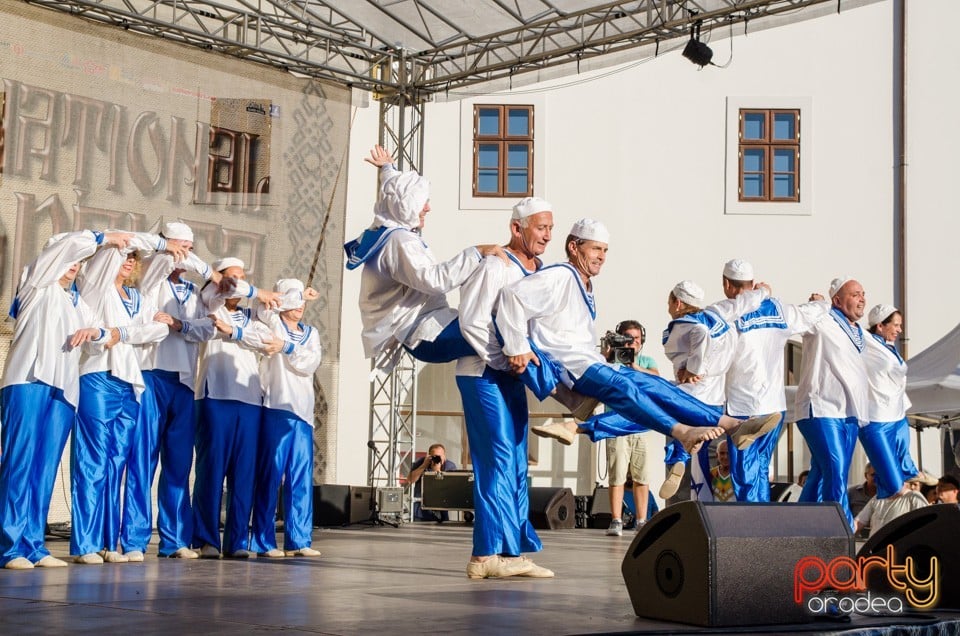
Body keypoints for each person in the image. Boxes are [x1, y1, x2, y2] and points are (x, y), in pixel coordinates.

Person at [495, 219, 779, 452]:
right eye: (596, 249)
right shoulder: (561, 275)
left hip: (588, 362)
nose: (601, 257)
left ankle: (731, 426)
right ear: (574, 247)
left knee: (655, 386)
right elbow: (511, 297)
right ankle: (683, 432)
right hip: (572, 366)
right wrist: (517, 347)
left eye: (605, 250)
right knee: (627, 388)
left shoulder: (584, 285)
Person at [0, 229, 131, 570]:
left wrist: (103, 334)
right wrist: (104, 236)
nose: (72, 265)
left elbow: (96, 337)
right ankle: (8, 546)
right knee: (20, 463)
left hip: (63, 390)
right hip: (27, 380)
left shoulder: (78, 302)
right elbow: (65, 249)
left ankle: (33, 544)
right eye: (66, 258)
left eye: (77, 261)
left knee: (44, 468)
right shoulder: (36, 283)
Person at [455, 196, 555, 578]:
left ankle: (511, 553)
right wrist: (504, 357)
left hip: (512, 375)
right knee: (495, 458)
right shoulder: (496, 266)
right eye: (540, 228)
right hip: (483, 371)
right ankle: (483, 556)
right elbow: (472, 320)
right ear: (517, 228)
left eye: (550, 229)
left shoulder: (537, 272)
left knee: (515, 461)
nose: (546, 236)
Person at [71, 234, 186, 564]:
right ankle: (85, 545)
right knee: (92, 462)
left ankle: (109, 543)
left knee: (116, 464)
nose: (129, 260)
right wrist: (122, 243)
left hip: (130, 384)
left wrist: (120, 333)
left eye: (134, 257)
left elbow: (160, 330)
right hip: (98, 377)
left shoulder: (138, 297)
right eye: (124, 255)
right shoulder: (95, 288)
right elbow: (144, 329)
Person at [344, 145, 505, 371]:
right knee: (505, 333)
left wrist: (387, 168)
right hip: (425, 331)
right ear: (406, 207)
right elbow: (433, 280)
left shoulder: (387, 228)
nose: (427, 208)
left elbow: (394, 193)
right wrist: (476, 252)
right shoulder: (400, 242)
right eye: (421, 203)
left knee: (505, 334)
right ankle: (561, 390)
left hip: (430, 323)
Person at [124, 222, 218, 560]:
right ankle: (134, 540)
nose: (183, 255)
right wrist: (169, 250)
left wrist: (180, 325)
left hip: (183, 382)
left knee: (179, 464)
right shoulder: (150, 279)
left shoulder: (193, 294)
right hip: (152, 375)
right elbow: (161, 261)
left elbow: (208, 329)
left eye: (188, 249)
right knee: (142, 460)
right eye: (179, 248)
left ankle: (174, 539)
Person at [720, 259, 830, 502]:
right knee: (761, 469)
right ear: (752, 282)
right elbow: (807, 315)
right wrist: (821, 303)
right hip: (774, 405)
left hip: (742, 408)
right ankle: (763, 525)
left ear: (727, 284)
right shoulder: (778, 309)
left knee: (745, 474)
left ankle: (751, 528)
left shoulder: (728, 313)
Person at [192, 257, 280, 559]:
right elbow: (221, 297)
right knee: (211, 471)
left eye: (243, 278)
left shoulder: (250, 316)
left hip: (250, 399)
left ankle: (237, 540)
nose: (238, 284)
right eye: (232, 277)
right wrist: (255, 291)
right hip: (214, 395)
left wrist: (235, 332)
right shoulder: (208, 303)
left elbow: (265, 340)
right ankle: (206, 539)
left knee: (244, 474)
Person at [250, 279, 323, 559]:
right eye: (296, 300)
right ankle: (263, 541)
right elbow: (263, 307)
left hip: (303, 412)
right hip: (277, 406)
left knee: (300, 477)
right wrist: (294, 295)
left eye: (304, 301)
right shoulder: (273, 324)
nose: (301, 305)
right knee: (271, 475)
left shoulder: (311, 333)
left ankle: (299, 539)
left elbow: (310, 362)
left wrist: (287, 348)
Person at [795, 277, 870, 529]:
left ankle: (798, 529)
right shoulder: (823, 319)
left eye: (862, 294)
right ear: (837, 300)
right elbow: (799, 319)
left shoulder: (859, 332)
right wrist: (817, 305)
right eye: (854, 294)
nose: (861, 299)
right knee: (836, 473)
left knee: (820, 474)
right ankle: (840, 532)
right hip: (820, 408)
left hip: (849, 413)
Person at [859, 304, 920, 501]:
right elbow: (843, 323)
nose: (900, 330)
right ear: (879, 326)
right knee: (893, 484)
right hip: (877, 415)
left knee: (904, 474)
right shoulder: (865, 340)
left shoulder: (890, 347)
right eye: (895, 325)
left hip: (897, 414)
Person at [602, 321, 655, 537]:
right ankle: (616, 519)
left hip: (640, 425)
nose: (633, 343)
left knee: (641, 474)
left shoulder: (646, 361)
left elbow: (656, 378)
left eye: (636, 339)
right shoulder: (611, 360)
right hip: (616, 422)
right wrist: (607, 355)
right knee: (617, 474)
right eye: (628, 338)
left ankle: (642, 520)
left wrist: (634, 366)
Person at [854, 476, 929, 538]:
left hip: (899, 551)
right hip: (875, 551)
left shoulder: (914, 497)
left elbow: (926, 525)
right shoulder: (878, 498)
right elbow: (858, 522)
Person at [406, 443, 457, 522]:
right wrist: (423, 466)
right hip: (421, 510)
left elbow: (449, 487)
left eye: (440, 456)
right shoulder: (421, 462)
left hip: (441, 509)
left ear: (444, 456)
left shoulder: (449, 466)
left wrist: (437, 471)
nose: (437, 459)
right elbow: (410, 480)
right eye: (435, 456)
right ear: (429, 456)